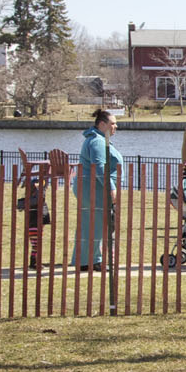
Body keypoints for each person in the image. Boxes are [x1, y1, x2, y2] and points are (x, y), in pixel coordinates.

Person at [73, 108, 123, 270]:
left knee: (90, 224)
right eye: (112, 124)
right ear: (102, 124)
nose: (115, 127)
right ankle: (93, 261)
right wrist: (111, 188)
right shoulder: (97, 142)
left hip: (92, 188)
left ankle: (84, 260)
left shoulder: (98, 139)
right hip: (94, 189)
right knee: (96, 225)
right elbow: (99, 167)